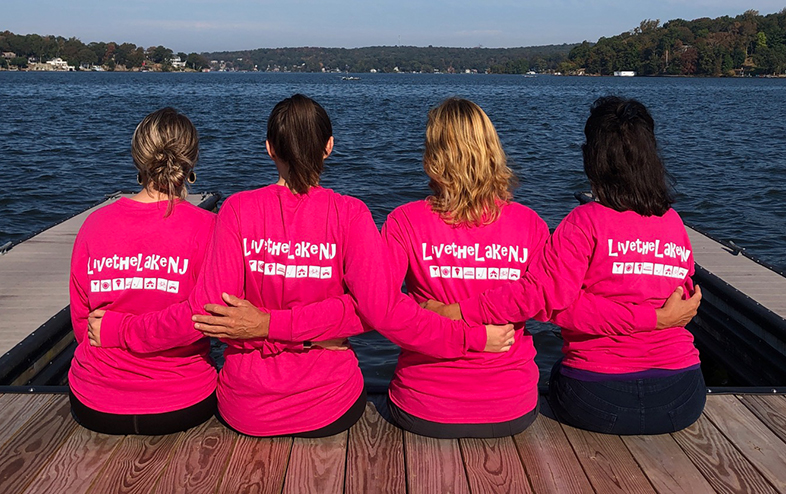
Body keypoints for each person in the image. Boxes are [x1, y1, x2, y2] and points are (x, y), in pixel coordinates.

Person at [89, 94, 515, 438]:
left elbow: (213, 312)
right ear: (329, 146)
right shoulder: (351, 214)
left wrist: (265, 324)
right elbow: (374, 311)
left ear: (270, 148)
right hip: (331, 405)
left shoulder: (236, 210)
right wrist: (466, 334)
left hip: (246, 408)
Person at [433, 96, 705, 435]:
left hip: (600, 396)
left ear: (593, 157)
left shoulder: (585, 221)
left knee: (558, 373)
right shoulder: (673, 223)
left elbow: (552, 305)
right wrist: (656, 317)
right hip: (684, 396)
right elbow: (685, 299)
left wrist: (461, 310)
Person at [68, 107, 217, 435]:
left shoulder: (95, 226)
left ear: (139, 159)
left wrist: (119, 330)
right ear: (190, 162)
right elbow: (206, 321)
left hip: (95, 402)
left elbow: (82, 328)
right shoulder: (208, 228)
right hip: (180, 401)